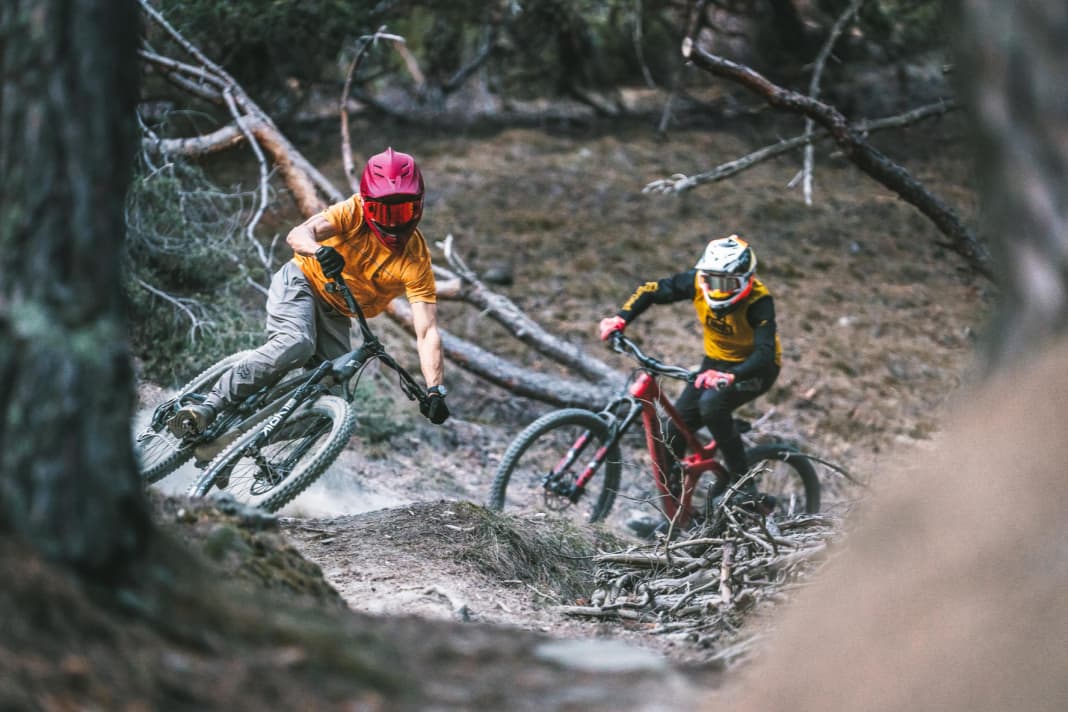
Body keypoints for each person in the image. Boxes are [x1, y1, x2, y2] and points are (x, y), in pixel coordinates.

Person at [172, 147, 450, 435]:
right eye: (383, 212)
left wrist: (434, 389)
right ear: (367, 205)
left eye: (402, 211)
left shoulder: (416, 261)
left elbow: (427, 332)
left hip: (336, 312)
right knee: (297, 344)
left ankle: (237, 443)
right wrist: (318, 251)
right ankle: (209, 406)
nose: (393, 222)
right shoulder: (352, 212)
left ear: (418, 206)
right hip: (302, 281)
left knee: (332, 408)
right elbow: (299, 234)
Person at [598, 235, 781, 520]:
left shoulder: (759, 301)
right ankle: (675, 514)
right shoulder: (696, 281)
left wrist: (731, 376)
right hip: (714, 363)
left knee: (712, 406)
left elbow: (765, 352)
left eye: (726, 284)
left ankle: (745, 487)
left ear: (746, 280)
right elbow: (651, 290)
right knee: (674, 429)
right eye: (711, 280)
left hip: (754, 368)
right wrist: (621, 318)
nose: (717, 289)